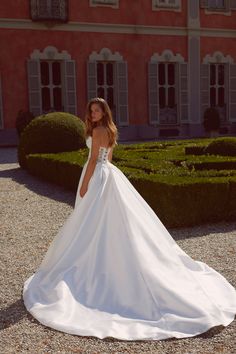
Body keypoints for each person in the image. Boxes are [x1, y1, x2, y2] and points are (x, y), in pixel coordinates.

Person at [23, 97, 236, 341]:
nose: (93, 114)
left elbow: (94, 159)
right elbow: (108, 159)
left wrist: (83, 185)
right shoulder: (109, 129)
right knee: (105, 219)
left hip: (99, 174)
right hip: (108, 173)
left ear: (104, 112)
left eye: (97, 110)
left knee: (93, 221)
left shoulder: (100, 130)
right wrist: (102, 174)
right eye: (91, 110)